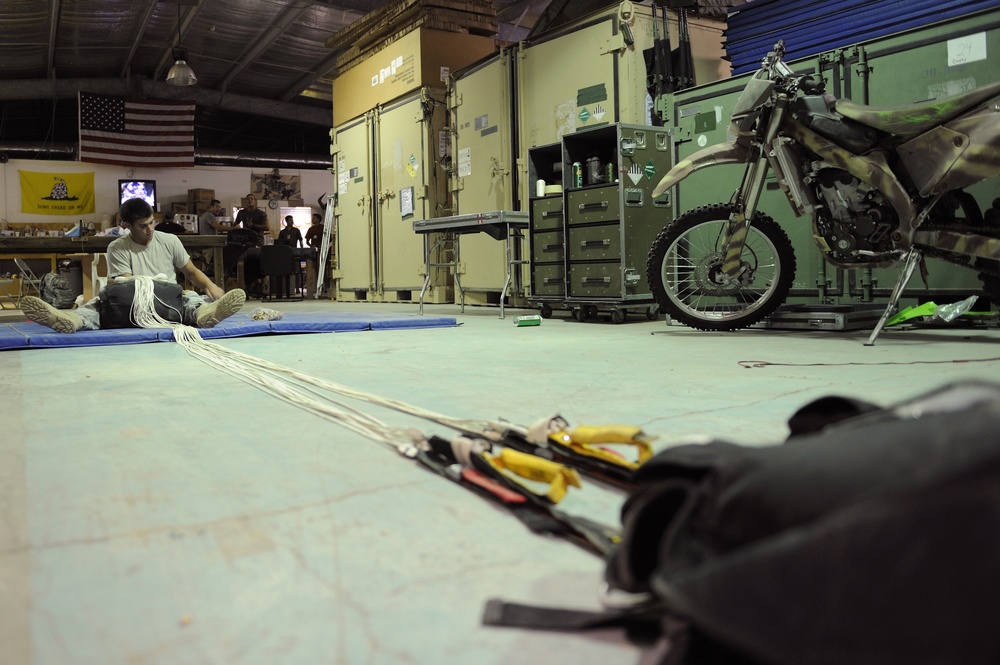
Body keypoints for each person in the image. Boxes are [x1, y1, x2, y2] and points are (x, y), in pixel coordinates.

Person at [20, 198, 246, 334]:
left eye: (151, 223)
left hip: (167, 299)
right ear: (126, 226)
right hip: (134, 301)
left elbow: (192, 271)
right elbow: (127, 285)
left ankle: (207, 313)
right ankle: (69, 319)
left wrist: (211, 287)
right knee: (97, 306)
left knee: (192, 299)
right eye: (142, 226)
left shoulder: (169, 240)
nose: (150, 230)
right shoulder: (117, 247)